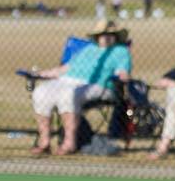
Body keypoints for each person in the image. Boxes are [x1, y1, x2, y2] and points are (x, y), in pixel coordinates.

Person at [30, 20, 132, 156]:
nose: (106, 37)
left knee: (68, 94)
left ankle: (69, 143)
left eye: (110, 34)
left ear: (116, 36)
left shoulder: (120, 51)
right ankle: (44, 142)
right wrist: (42, 74)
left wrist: (122, 76)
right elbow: (65, 68)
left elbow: (123, 73)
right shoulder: (88, 49)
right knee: (40, 92)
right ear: (97, 36)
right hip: (67, 80)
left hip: (99, 85)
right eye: (102, 34)